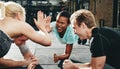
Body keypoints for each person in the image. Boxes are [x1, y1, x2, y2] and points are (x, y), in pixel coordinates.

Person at [0, 1, 51, 68]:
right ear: (18, 15)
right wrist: (42, 28)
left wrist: (27, 62)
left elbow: (1, 62)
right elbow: (47, 42)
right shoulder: (18, 24)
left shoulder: (5, 27)